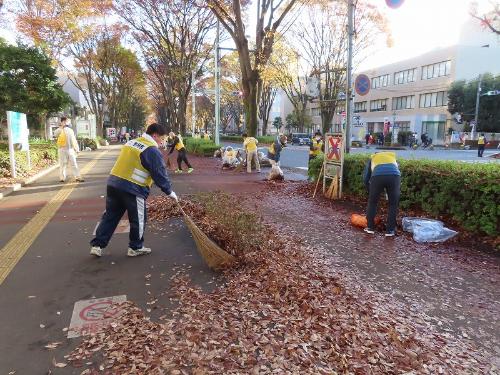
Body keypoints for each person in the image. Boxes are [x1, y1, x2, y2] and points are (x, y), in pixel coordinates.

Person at [90, 123, 178, 257]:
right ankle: (135, 247)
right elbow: (159, 173)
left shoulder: (132, 142)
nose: (162, 141)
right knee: (138, 219)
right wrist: (169, 191)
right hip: (133, 188)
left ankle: (97, 245)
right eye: (162, 138)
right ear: (154, 135)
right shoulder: (151, 150)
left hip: (113, 183)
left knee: (110, 216)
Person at [363, 151, 401, 237]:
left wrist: (369, 190)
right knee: (393, 204)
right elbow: (397, 171)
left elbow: (366, 177)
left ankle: (370, 228)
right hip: (394, 177)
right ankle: (390, 231)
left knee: (372, 202)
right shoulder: (392, 157)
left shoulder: (373, 158)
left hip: (377, 177)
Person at [54, 117, 84, 183]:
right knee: (62, 164)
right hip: (61, 149)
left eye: (66, 121)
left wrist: (77, 149)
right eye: (64, 121)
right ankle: (62, 178)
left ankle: (77, 177)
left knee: (74, 163)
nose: (65, 122)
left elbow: (73, 140)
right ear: (61, 122)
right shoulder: (59, 130)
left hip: (70, 149)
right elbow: (55, 134)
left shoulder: (70, 130)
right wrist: (61, 128)